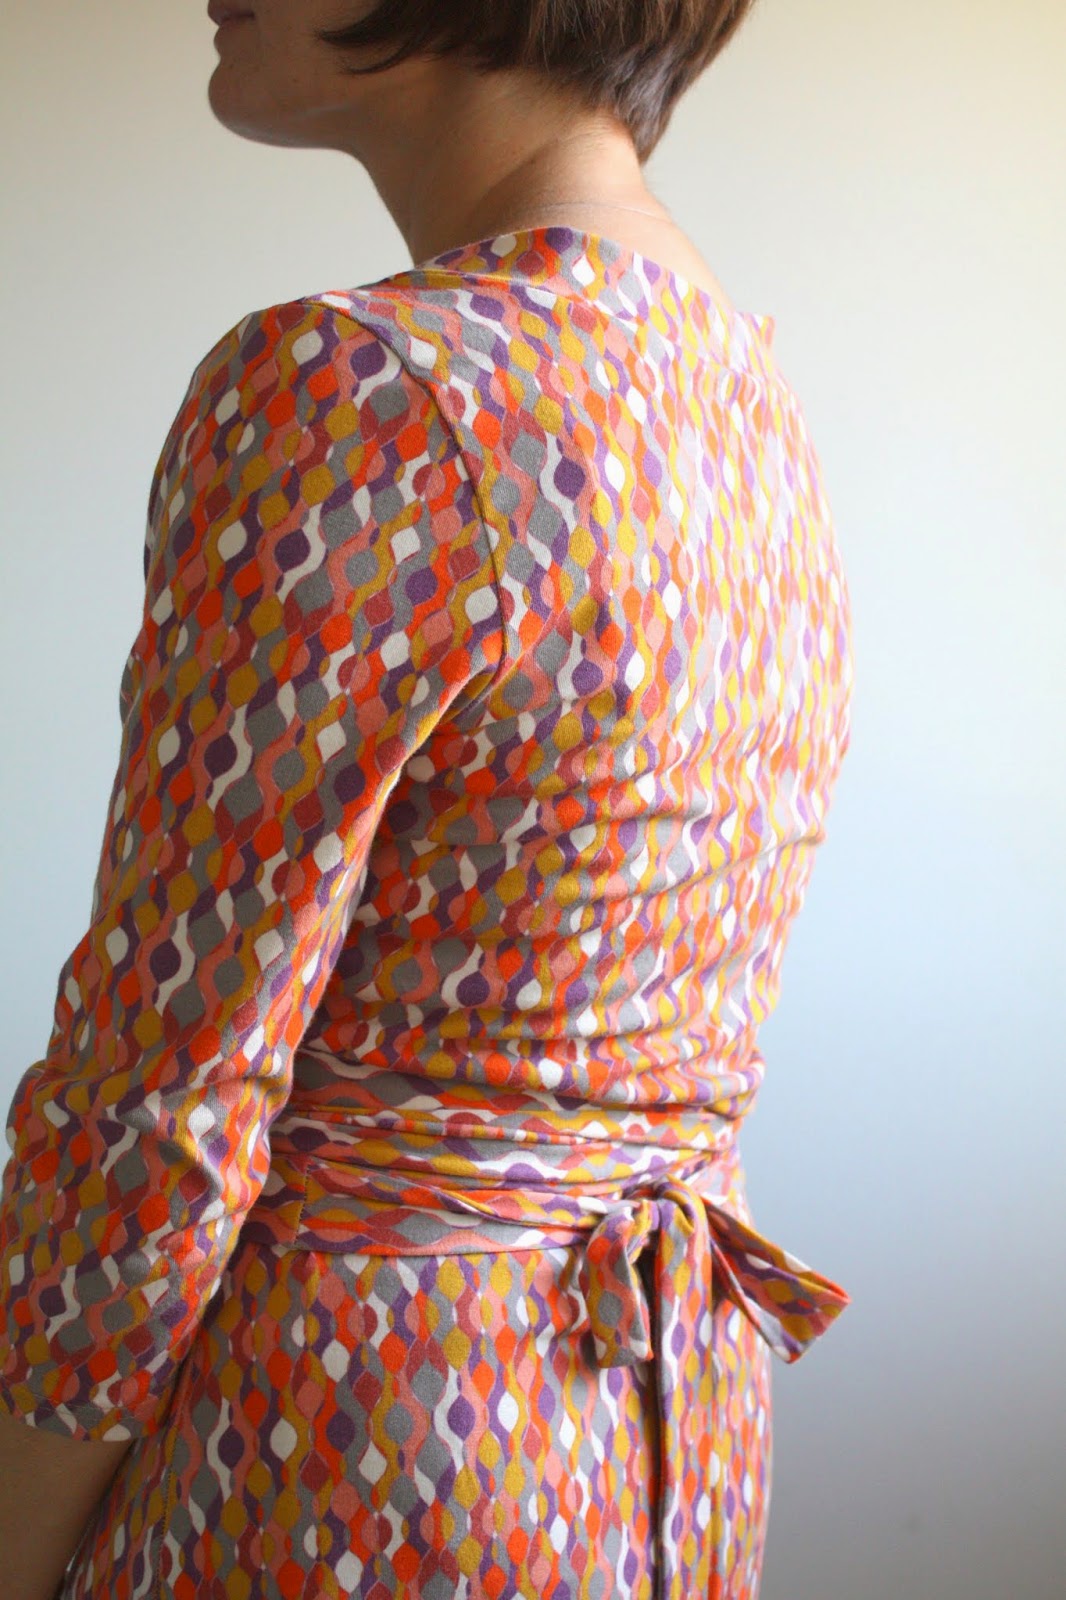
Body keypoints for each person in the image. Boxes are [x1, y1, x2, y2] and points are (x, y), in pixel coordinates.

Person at [0, 4, 855, 1597]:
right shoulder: (732, 382)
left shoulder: (364, 386)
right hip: (650, 1421)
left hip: (353, 1436)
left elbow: (166, 1086)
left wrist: (15, 1521)